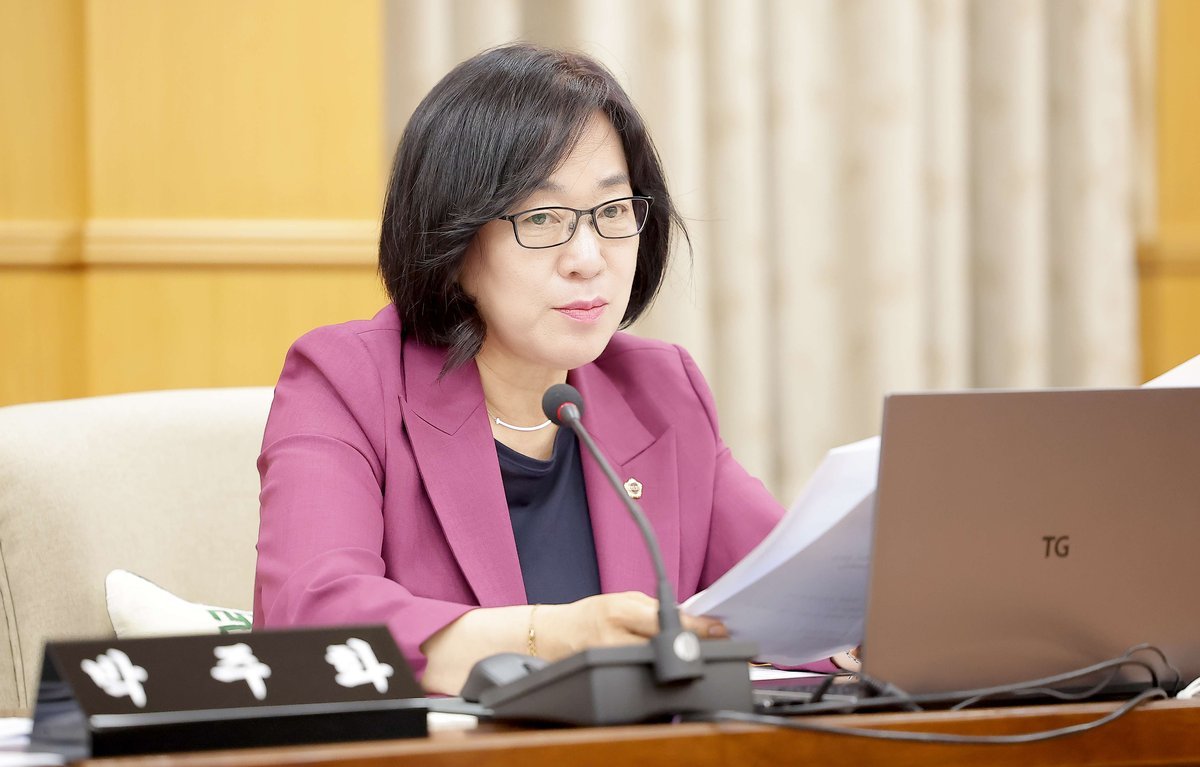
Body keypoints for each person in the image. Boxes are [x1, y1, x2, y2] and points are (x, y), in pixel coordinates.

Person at [253, 44, 787, 695]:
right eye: (541, 217)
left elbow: (791, 593)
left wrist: (862, 623)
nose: (588, 257)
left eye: (613, 211)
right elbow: (311, 620)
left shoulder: (657, 387)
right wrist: (548, 637)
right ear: (453, 243)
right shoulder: (346, 380)